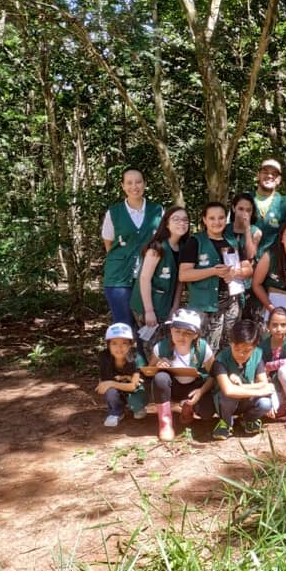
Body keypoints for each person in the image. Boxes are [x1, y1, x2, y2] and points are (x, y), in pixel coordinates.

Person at [179, 202, 252, 351]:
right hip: (205, 305)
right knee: (206, 348)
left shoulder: (232, 241)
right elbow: (184, 275)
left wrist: (235, 273)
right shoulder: (195, 241)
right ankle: (204, 374)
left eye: (220, 218)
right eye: (212, 218)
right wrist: (213, 271)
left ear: (226, 219)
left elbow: (248, 269)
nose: (217, 222)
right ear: (204, 220)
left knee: (230, 344)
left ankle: (223, 372)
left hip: (232, 303)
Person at [101, 167, 163, 326]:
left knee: (146, 327)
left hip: (148, 277)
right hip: (118, 278)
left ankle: (143, 353)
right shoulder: (114, 212)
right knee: (123, 326)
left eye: (138, 182)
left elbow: (163, 240)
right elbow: (109, 243)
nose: (134, 186)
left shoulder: (157, 210)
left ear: (144, 184)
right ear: (122, 186)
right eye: (129, 183)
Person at [147, 309, 215, 441]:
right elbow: (149, 371)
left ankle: (188, 407)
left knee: (207, 412)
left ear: (195, 335)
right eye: (177, 331)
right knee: (160, 378)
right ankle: (165, 423)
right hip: (173, 387)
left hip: (194, 388)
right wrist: (158, 366)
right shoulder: (161, 347)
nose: (181, 336)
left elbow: (214, 374)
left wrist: (201, 392)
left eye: (188, 333)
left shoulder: (203, 348)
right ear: (171, 330)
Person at [211, 319, 276, 439]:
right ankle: (226, 422)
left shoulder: (257, 355)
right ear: (231, 343)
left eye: (247, 351)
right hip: (226, 403)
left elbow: (263, 382)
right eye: (237, 349)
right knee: (228, 397)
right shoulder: (221, 359)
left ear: (255, 347)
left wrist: (242, 387)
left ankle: (248, 420)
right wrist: (259, 391)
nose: (241, 354)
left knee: (266, 403)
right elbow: (228, 391)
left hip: (246, 400)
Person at [131, 205, 190, 333]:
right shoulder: (156, 248)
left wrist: (175, 307)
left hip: (167, 306)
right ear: (167, 224)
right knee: (152, 347)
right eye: (176, 219)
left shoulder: (184, 248)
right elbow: (144, 278)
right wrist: (149, 311)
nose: (181, 223)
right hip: (148, 307)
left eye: (185, 220)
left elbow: (181, 280)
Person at [95, 322, 146, 427]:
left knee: (136, 400)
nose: (119, 347)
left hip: (134, 390)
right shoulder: (104, 357)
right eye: (114, 343)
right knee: (110, 392)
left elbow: (133, 386)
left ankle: (138, 407)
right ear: (108, 345)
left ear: (130, 344)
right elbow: (102, 386)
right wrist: (107, 384)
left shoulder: (137, 357)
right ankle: (116, 412)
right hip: (118, 388)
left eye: (124, 343)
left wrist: (110, 383)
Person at [227, 193, 264, 322]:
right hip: (227, 281)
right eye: (241, 209)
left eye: (248, 210)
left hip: (246, 284)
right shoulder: (224, 229)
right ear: (233, 208)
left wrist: (247, 228)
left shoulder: (256, 231)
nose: (244, 213)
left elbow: (250, 255)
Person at [250, 158, 286, 258]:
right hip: (245, 264)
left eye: (274, 174)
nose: (269, 176)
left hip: (274, 264)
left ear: (279, 180)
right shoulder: (244, 200)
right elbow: (230, 230)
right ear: (258, 175)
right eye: (265, 172)